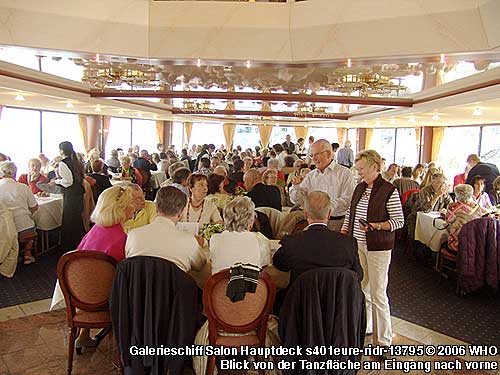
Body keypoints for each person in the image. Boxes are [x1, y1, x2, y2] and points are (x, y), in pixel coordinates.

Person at [341, 150, 404, 351]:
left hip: (378, 247)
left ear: (375, 167)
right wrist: (344, 231)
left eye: (361, 169)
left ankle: (384, 341)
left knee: (378, 293)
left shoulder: (389, 190)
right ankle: (368, 326)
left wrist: (375, 226)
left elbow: (398, 221)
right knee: (363, 288)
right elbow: (350, 212)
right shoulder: (360, 188)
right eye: (357, 168)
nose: (358, 172)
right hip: (357, 244)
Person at [273, 191, 362, 286]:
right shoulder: (349, 244)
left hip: (302, 298)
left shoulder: (292, 242)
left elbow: (279, 264)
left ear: (306, 214)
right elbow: (359, 276)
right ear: (329, 214)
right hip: (339, 299)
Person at [126, 186, 205, 272]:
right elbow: (200, 266)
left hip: (138, 285)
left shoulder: (133, 236)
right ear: (181, 212)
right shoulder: (189, 241)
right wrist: (198, 247)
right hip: (173, 285)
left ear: (156, 207)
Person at [290, 139, 356, 231]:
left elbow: (348, 201)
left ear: (328, 154)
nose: (313, 159)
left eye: (316, 154)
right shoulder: (311, 176)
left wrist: (323, 207)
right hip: (313, 224)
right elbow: (295, 200)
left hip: (337, 223)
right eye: (312, 155)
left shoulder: (344, 174)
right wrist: (296, 186)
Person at [210, 196, 270, 274]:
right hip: (250, 285)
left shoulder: (215, 239)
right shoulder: (261, 240)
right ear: (250, 220)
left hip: (220, 285)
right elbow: (264, 265)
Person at [0, 161, 38, 264]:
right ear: (14, 173)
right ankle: (27, 253)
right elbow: (34, 207)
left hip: (4, 229)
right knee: (30, 224)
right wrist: (26, 213)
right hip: (23, 226)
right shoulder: (23, 187)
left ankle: (7, 255)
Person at [51, 141, 86, 252]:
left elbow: (68, 182)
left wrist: (57, 181)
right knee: (76, 219)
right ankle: (79, 243)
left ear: (61, 151)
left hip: (71, 194)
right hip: (79, 193)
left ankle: (68, 246)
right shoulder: (75, 161)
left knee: (69, 220)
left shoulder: (63, 163)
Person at [446, 184, 487, 252]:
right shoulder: (477, 207)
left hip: (456, 244)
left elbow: (448, 220)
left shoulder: (452, 207)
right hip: (473, 244)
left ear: (456, 195)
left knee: (442, 241)